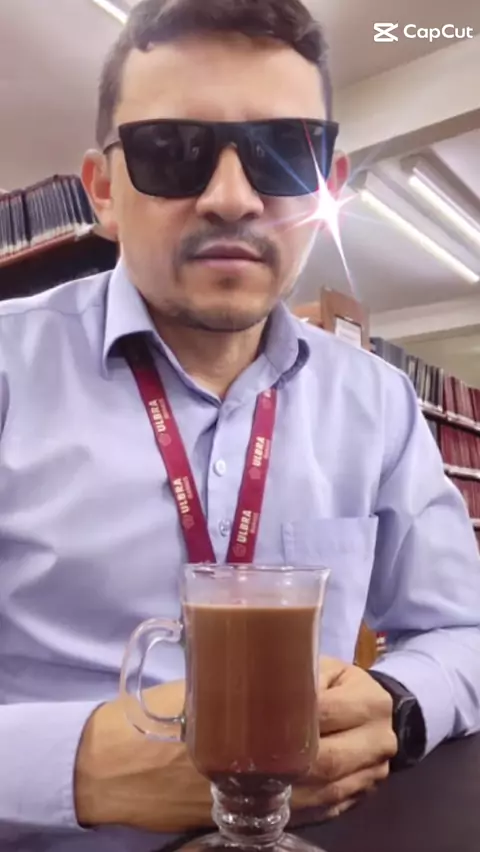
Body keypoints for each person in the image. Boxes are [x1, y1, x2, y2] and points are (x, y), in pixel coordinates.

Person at [1, 0, 479, 849]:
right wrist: (74, 768)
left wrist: (401, 704)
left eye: (283, 153)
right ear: (104, 191)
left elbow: (466, 629)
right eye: (171, 151)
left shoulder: (378, 402)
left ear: (327, 187)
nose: (231, 198)